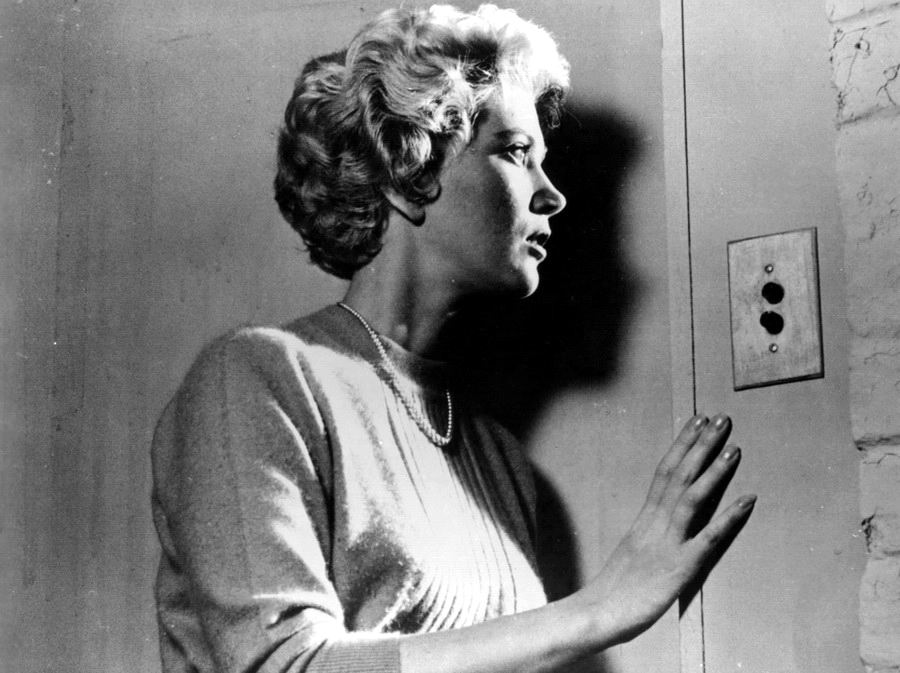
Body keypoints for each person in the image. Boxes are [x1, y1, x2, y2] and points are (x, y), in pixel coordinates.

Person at [150, 5, 756, 672]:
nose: (552, 194)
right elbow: (282, 665)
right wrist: (597, 611)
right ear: (409, 170)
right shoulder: (258, 379)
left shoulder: (501, 464)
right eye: (517, 152)